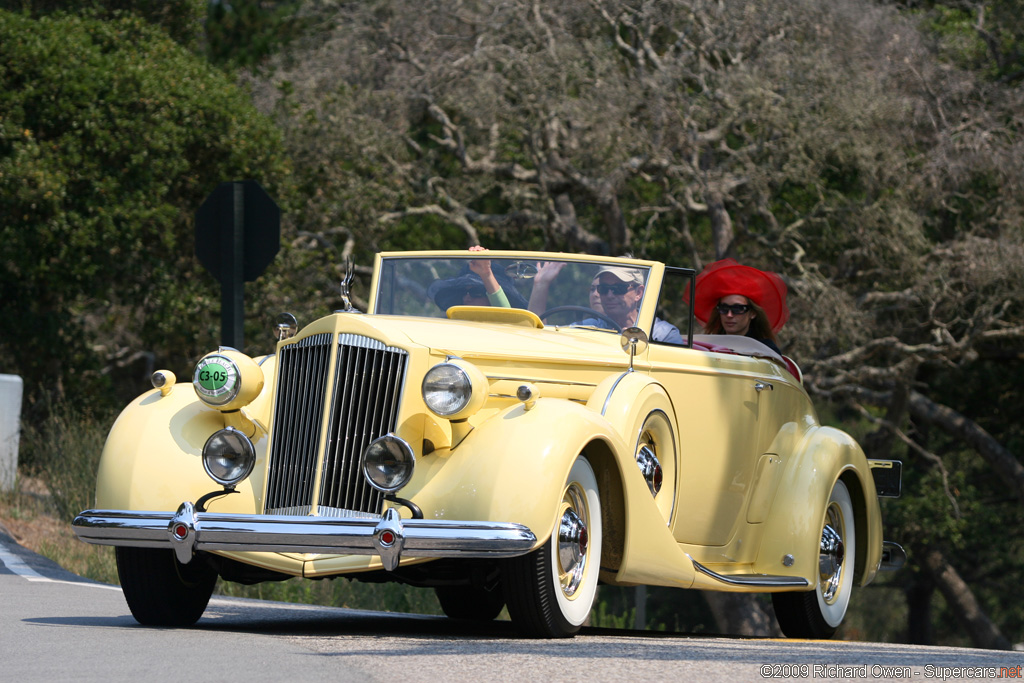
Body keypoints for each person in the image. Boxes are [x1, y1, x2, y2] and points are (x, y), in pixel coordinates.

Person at [693, 258, 788, 354]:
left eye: (737, 309)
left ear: (753, 313)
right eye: (724, 308)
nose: (729, 315)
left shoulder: (766, 349)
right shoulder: (706, 347)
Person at [581, 266, 683, 344]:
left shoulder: (662, 335)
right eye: (603, 288)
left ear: (638, 293)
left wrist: (638, 345)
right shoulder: (586, 329)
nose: (609, 295)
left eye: (619, 288)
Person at [427, 246, 529, 312]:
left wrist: (486, 274)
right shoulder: (454, 325)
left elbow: (506, 315)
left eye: (475, 292)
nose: (467, 298)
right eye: (463, 292)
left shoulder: (509, 329)